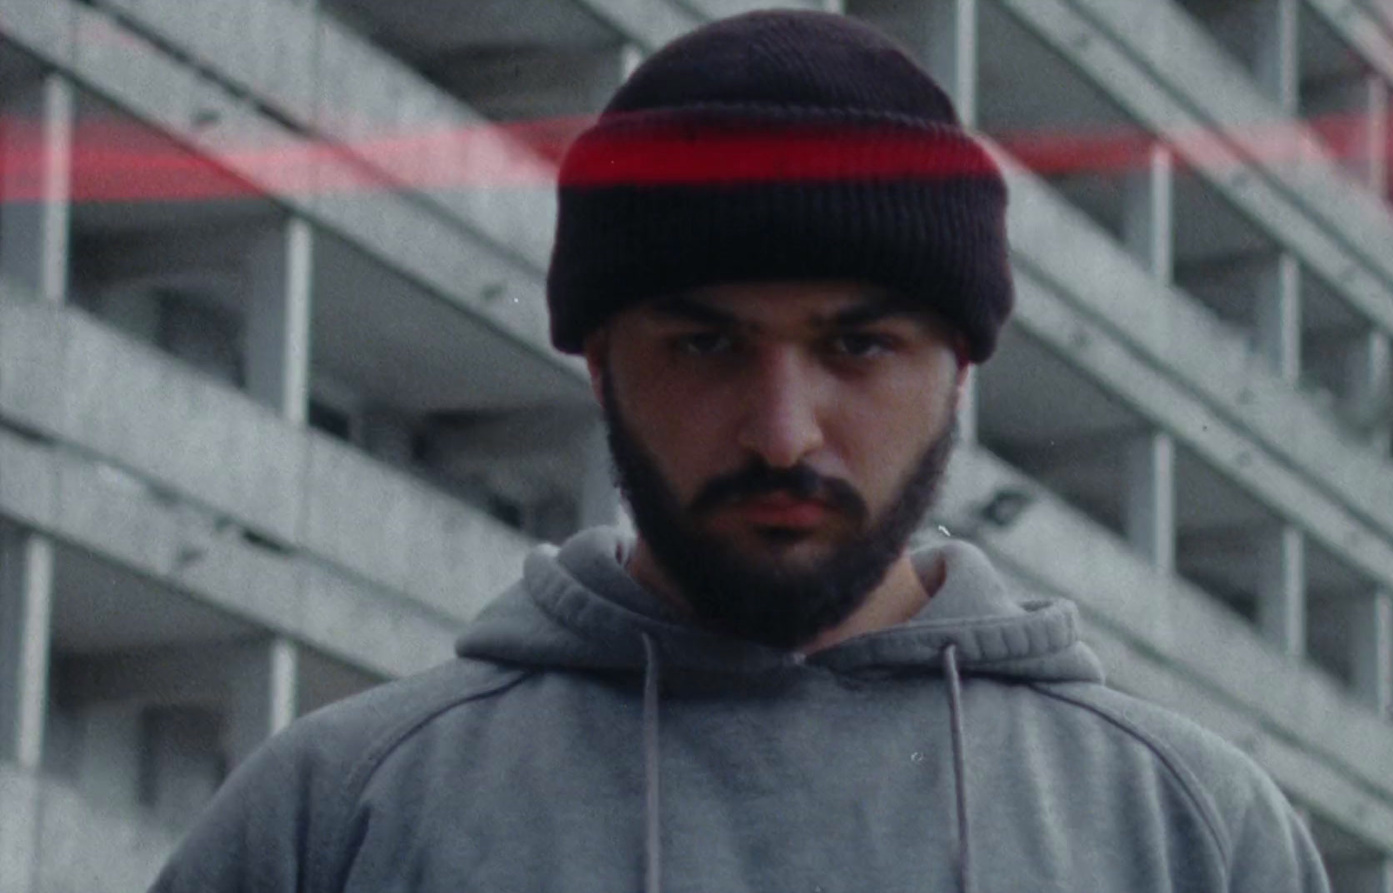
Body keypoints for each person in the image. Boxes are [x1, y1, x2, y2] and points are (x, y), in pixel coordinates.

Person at [150, 10, 1330, 892]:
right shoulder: (344, 808)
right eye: (706, 343)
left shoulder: (1183, 827)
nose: (781, 430)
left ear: (959, 367)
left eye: (857, 346)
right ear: (602, 359)